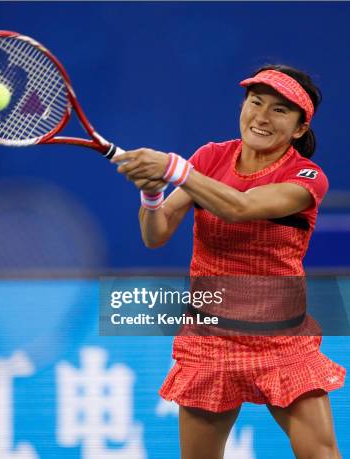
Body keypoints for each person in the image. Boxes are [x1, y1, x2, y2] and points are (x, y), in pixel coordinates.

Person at [112, 65, 345, 458]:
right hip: (210, 340)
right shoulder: (210, 157)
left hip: (282, 340)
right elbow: (156, 234)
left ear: (300, 129)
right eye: (255, 103)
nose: (262, 117)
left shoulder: (306, 177)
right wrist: (152, 196)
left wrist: (175, 169)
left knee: (321, 454)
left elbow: (240, 206)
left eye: (279, 110)